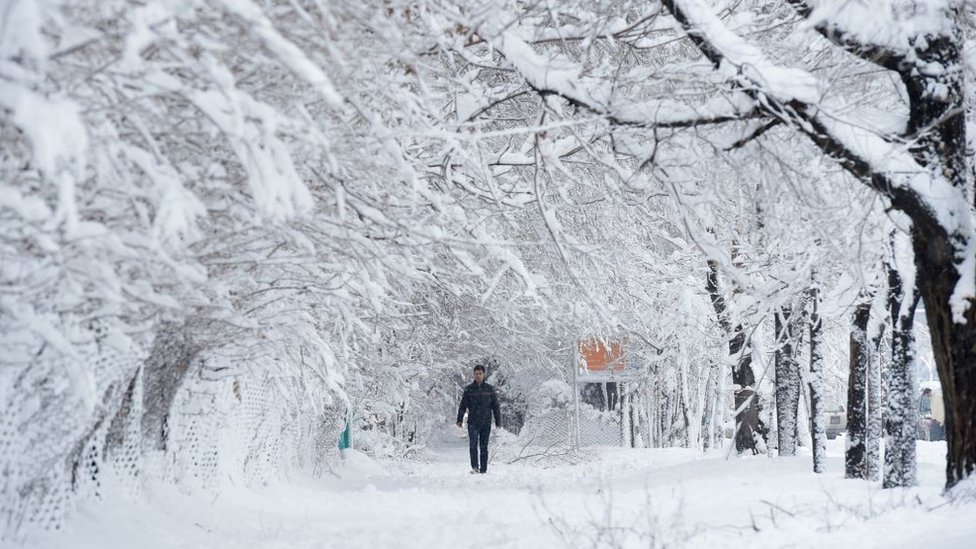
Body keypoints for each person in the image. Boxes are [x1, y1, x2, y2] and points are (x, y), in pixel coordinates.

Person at [456, 364, 501, 474]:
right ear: (473, 374)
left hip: (486, 422)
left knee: (484, 446)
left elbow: (495, 406)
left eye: (480, 373)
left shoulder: (490, 389)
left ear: (484, 374)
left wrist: (498, 421)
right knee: (473, 445)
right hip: (473, 422)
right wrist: (459, 419)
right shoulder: (469, 389)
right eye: (476, 374)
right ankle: (475, 467)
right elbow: (463, 405)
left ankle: (484, 469)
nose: (478, 376)